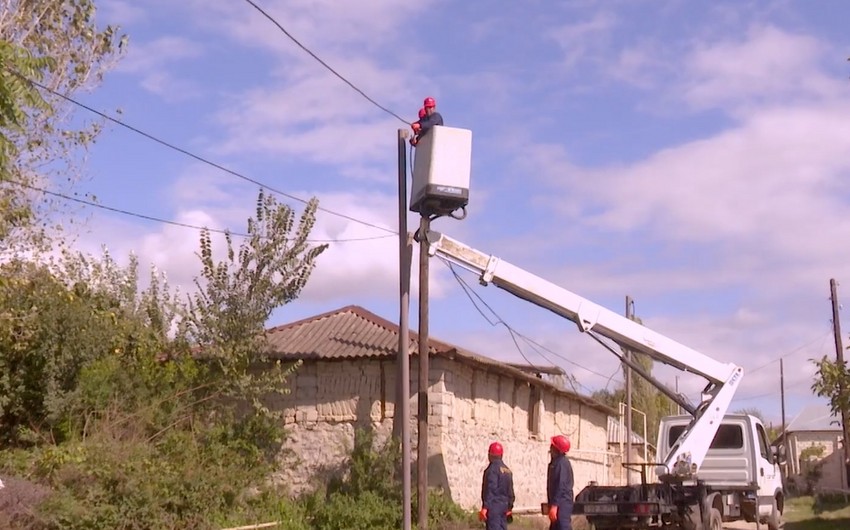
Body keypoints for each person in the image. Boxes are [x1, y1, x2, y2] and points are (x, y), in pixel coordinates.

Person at [479, 441, 515, 530]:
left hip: (494, 508)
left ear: (490, 455)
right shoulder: (507, 470)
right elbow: (511, 491)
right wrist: (510, 507)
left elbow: (491, 489)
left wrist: (485, 507)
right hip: (504, 508)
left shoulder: (492, 470)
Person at [546, 435, 574, 530]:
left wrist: (555, 506)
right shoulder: (555, 463)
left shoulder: (562, 463)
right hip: (557, 502)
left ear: (557, 449)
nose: (550, 448)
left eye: (552, 446)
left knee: (563, 526)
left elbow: (560, 486)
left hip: (562, 503)